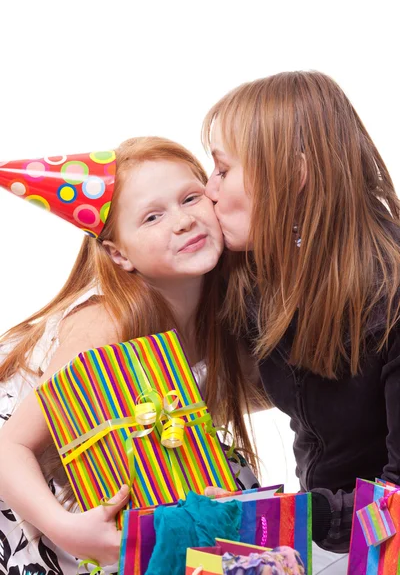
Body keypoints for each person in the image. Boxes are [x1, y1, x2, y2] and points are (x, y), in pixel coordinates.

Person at [0, 137, 260, 574]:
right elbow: (10, 447)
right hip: (26, 493)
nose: (182, 221)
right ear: (119, 254)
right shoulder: (107, 325)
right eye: (153, 216)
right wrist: (66, 529)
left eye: (190, 198)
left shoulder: (223, 315)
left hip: (108, 475)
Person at [202, 70, 400, 573]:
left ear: (293, 175)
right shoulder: (262, 270)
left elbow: (397, 510)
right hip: (332, 538)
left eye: (223, 171)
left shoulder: (393, 291)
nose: (209, 190)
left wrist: (265, 520)